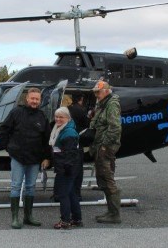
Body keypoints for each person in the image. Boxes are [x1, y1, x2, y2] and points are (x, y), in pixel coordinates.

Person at [0, 88, 51, 229]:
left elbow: (47, 140)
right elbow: (4, 129)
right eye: (32, 98)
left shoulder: (42, 117)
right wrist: (8, 148)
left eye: (37, 99)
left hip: (35, 159)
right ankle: (15, 218)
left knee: (30, 187)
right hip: (18, 157)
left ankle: (28, 217)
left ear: (40, 101)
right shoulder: (16, 112)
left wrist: (47, 157)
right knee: (16, 186)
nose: (34, 101)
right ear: (27, 99)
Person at [90, 80, 122, 224]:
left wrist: (104, 146)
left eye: (98, 92)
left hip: (106, 148)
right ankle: (110, 212)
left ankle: (115, 215)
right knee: (102, 179)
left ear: (106, 91)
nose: (96, 94)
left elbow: (115, 127)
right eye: (95, 92)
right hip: (99, 147)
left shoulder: (112, 104)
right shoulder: (102, 104)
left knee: (108, 180)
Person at [49, 107, 83, 229]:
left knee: (63, 194)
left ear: (68, 118)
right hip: (67, 167)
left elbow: (70, 154)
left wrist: (67, 169)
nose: (58, 119)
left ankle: (65, 221)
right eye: (56, 116)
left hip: (67, 169)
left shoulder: (68, 133)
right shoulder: (62, 129)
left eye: (61, 117)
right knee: (71, 193)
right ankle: (77, 219)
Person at [68, 93, 90, 201]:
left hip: (67, 143)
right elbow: (87, 124)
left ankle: (63, 192)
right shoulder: (81, 110)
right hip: (77, 142)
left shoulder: (67, 109)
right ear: (81, 99)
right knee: (78, 170)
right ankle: (76, 194)